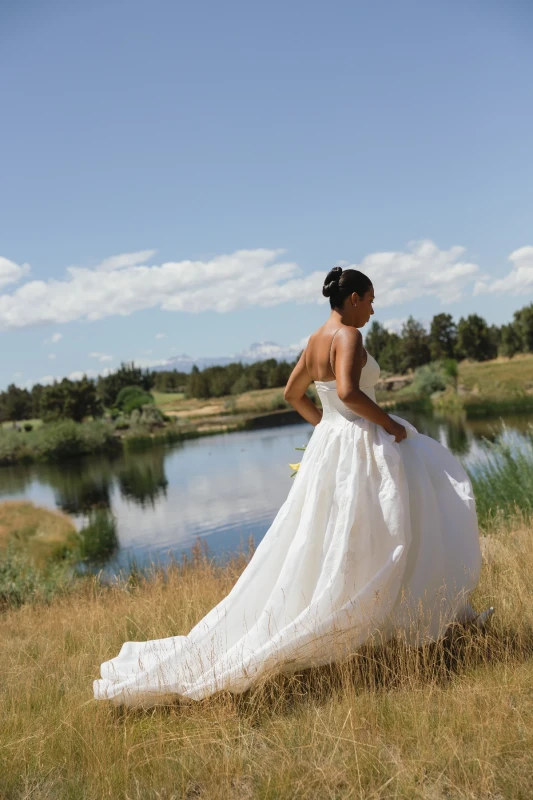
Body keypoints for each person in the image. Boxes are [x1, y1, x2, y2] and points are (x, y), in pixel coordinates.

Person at [94, 267, 488, 708]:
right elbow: (350, 392)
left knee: (332, 537)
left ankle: (391, 620)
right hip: (358, 444)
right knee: (393, 526)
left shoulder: (315, 339)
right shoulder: (349, 337)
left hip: (331, 448)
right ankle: (396, 618)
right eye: (371, 300)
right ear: (354, 298)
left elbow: (292, 394)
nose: (374, 309)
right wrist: (390, 425)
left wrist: (328, 427)